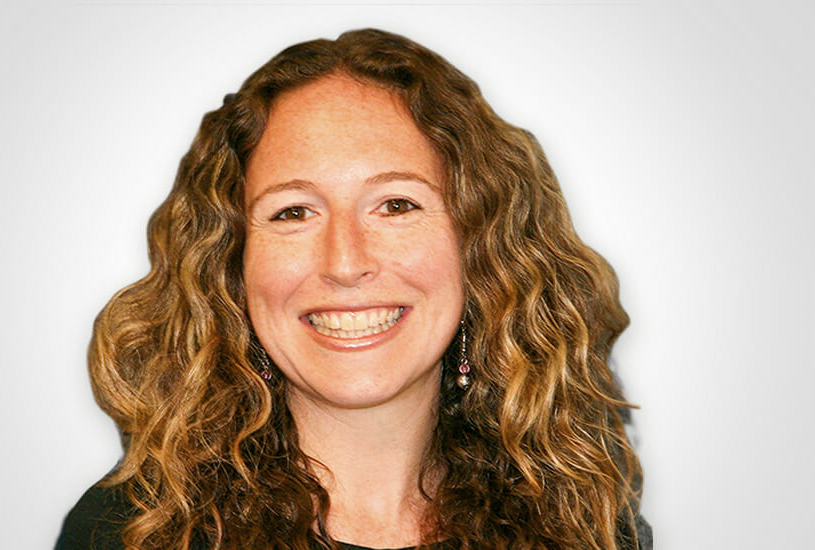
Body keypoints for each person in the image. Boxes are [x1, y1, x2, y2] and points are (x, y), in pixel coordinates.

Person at [56, 28, 651, 550]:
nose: (344, 263)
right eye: (293, 212)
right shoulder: (130, 534)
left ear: (482, 247)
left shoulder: (587, 525)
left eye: (396, 204)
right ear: (229, 264)